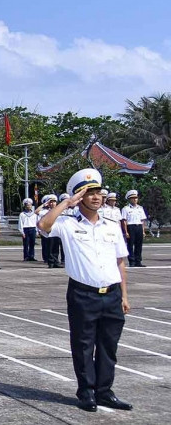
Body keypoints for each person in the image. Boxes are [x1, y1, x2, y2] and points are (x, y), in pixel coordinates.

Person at [37, 169, 132, 413]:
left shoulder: (111, 226)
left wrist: (124, 295)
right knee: (83, 345)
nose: (96, 197)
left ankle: (105, 391)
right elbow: (43, 225)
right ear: (79, 197)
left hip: (111, 294)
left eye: (99, 192)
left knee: (109, 346)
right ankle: (86, 392)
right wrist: (66, 203)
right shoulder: (67, 224)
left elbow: (120, 262)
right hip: (83, 295)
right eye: (89, 193)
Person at [120, 190, 147, 268]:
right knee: (130, 245)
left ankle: (138, 261)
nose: (135, 199)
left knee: (139, 245)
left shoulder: (140, 208)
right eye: (133, 198)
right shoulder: (126, 209)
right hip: (130, 227)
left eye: (136, 198)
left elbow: (142, 220)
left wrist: (143, 231)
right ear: (129, 199)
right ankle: (132, 261)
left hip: (138, 227)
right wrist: (126, 232)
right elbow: (124, 221)